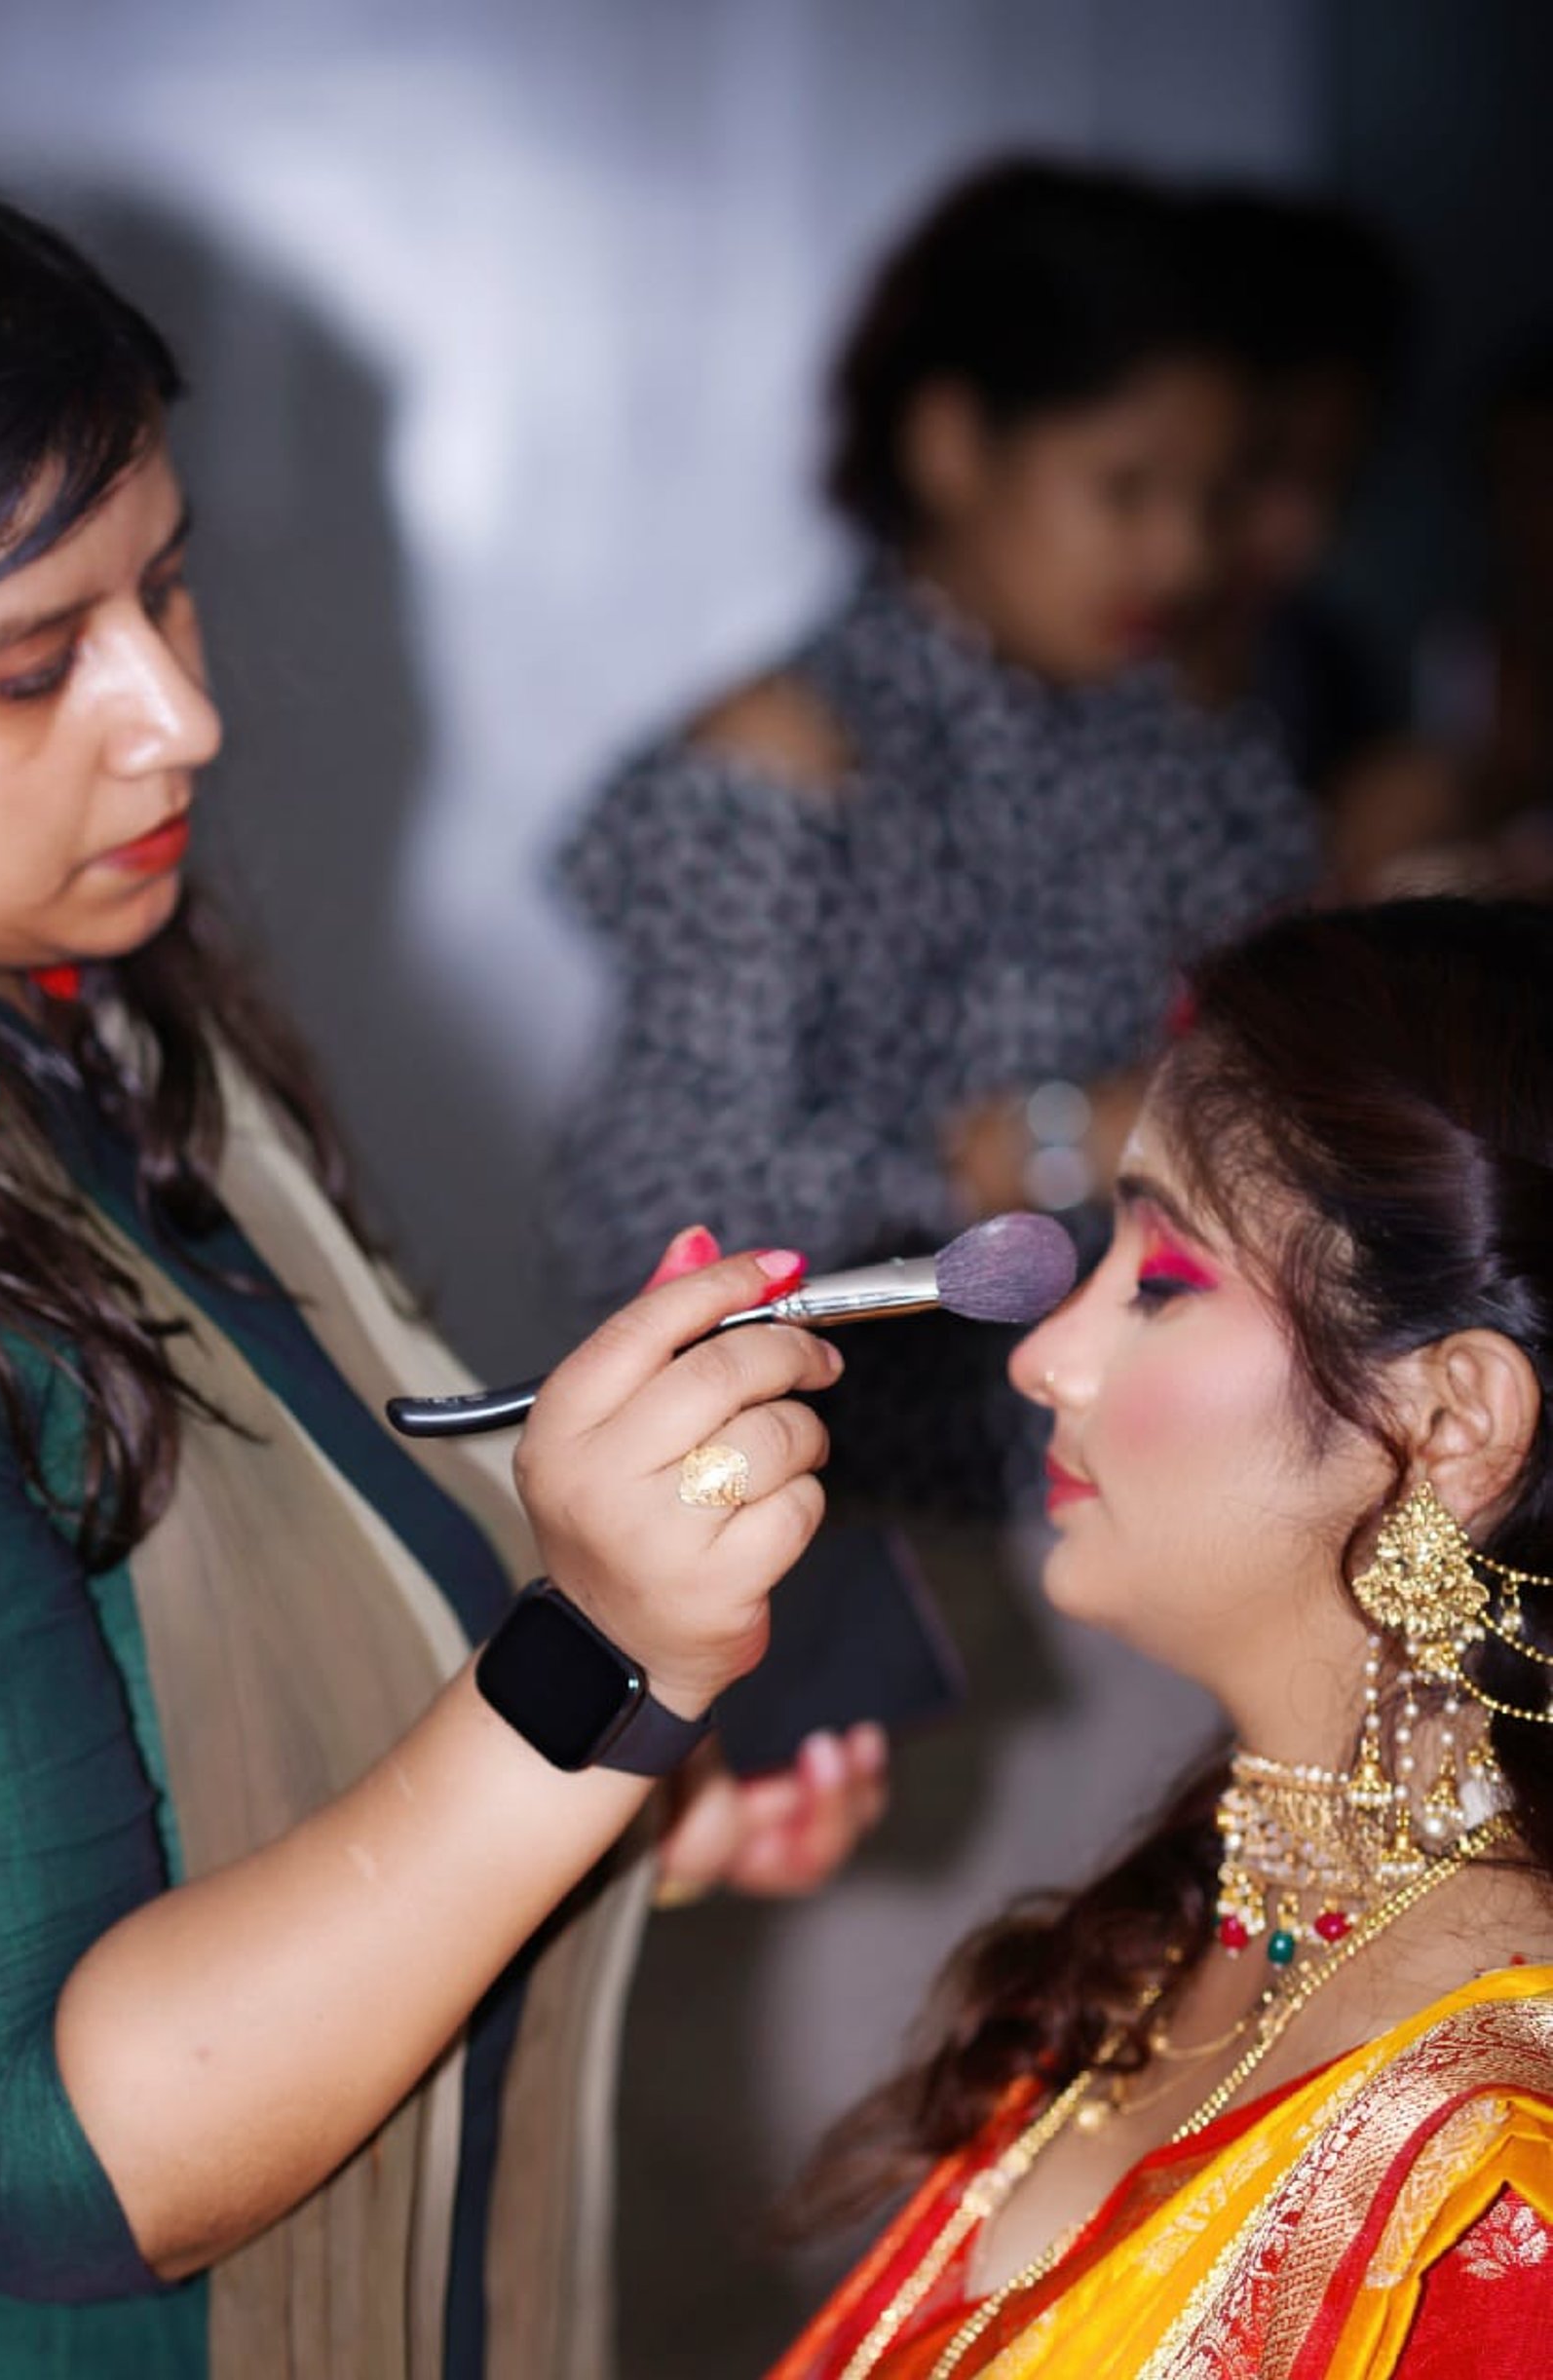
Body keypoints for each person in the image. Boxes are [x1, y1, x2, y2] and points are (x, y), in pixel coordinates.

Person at [0, 132, 885, 2380]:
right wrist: (591, 1660)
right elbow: (55, 2154)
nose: (181, 716)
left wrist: (644, 1793)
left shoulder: (56, 1024)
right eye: (32, 670)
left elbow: (240, 1736)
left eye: (167, 591)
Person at [770, 897, 1553, 2380]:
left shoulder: (1497, 2194)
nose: (1047, 1352)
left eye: (1168, 1282)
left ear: (1453, 1418)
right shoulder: (1198, 1925)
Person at [546, 159, 1318, 1530]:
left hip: (1190, 1507)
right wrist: (1035, 1147)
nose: (1177, 554)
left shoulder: (1190, 742)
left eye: (1207, 500)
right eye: (1124, 487)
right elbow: (654, 1221)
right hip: (890, 1543)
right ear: (953, 444)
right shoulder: (785, 763)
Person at [1173, 186, 1414, 798]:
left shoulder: (1324, 672)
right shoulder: (1054, 672)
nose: (1302, 531)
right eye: (1258, 466)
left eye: (1336, 479)